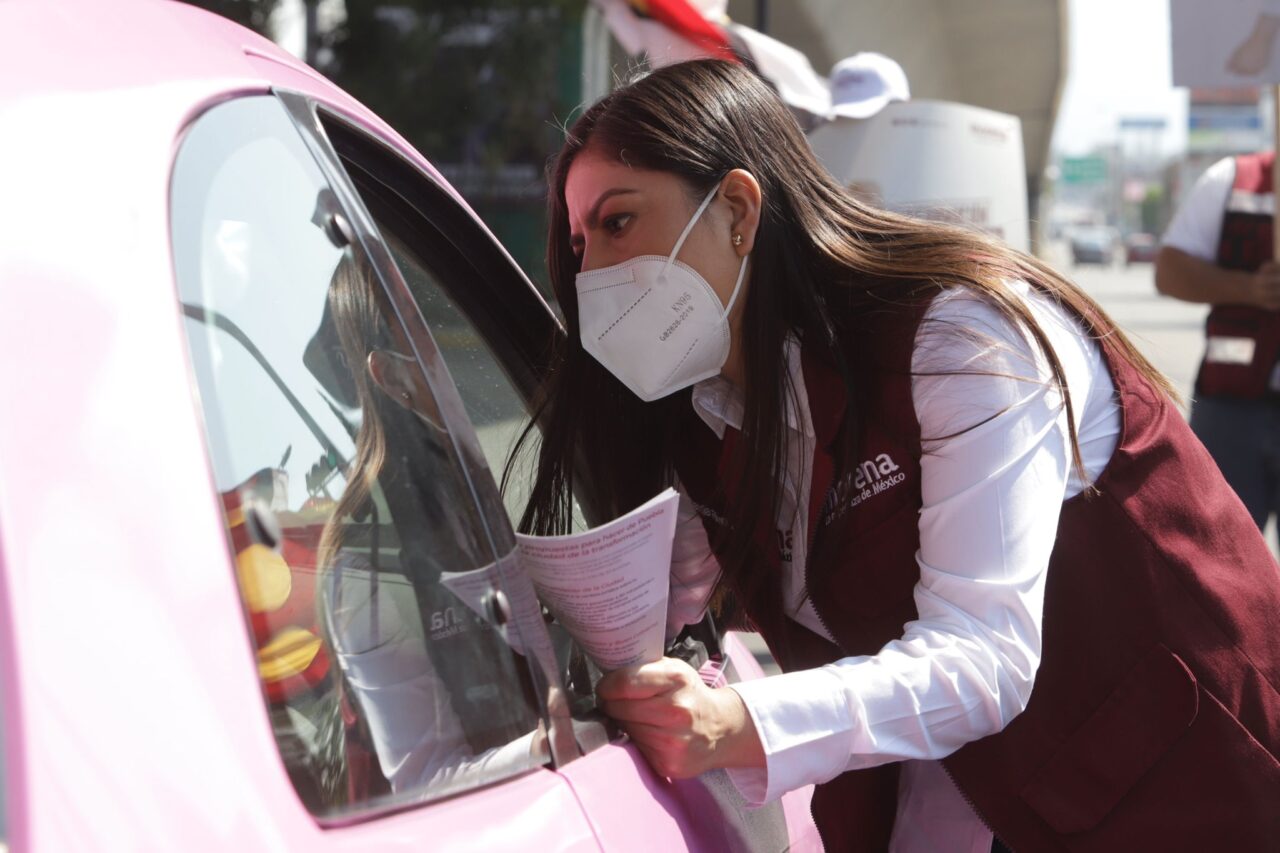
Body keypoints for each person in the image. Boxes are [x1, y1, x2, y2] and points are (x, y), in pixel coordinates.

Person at [513, 59, 1280, 851]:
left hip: (1189, 796)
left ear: (738, 209)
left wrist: (732, 721)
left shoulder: (961, 337)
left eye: (617, 223)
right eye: (576, 243)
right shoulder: (703, 413)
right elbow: (664, 601)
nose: (592, 274)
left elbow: (983, 657)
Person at [314, 253, 545, 797]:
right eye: (432, 331)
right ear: (391, 375)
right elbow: (424, 775)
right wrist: (547, 746)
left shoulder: (472, 478)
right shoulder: (367, 561)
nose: (466, 350)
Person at [1155, 151, 1280, 548]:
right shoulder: (1231, 179)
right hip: (1231, 412)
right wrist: (1248, 289)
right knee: (1219, 561)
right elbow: (1169, 272)